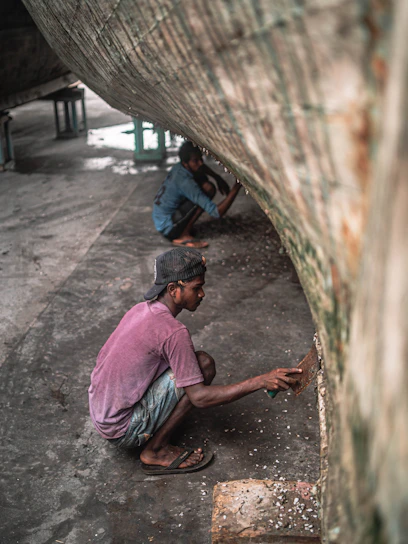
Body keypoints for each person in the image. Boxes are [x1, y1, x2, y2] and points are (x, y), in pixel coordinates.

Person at [88, 248, 302, 475]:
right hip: (123, 429)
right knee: (203, 365)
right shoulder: (173, 332)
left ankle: (152, 429)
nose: (202, 294)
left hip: (102, 414)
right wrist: (260, 381)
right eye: (196, 288)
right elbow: (199, 398)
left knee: (187, 367)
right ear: (173, 289)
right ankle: (155, 450)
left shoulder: (140, 310)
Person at [152, 141, 242, 249]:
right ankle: (182, 236)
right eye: (195, 161)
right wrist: (236, 187)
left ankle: (183, 228)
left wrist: (217, 177)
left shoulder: (179, 168)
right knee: (205, 191)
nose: (200, 163)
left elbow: (201, 167)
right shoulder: (186, 183)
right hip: (168, 227)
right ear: (186, 163)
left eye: (201, 158)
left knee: (208, 187)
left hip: (161, 218)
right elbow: (216, 212)